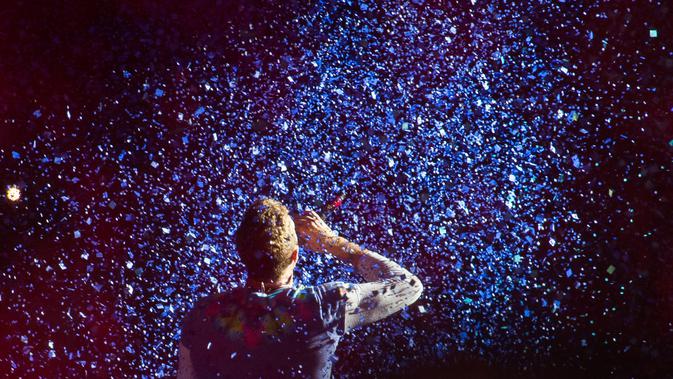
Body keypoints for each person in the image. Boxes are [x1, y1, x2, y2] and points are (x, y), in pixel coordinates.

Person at [177, 197, 423, 378]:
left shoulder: (202, 315)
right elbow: (408, 285)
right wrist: (332, 242)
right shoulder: (322, 307)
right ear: (295, 255)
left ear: (241, 252)